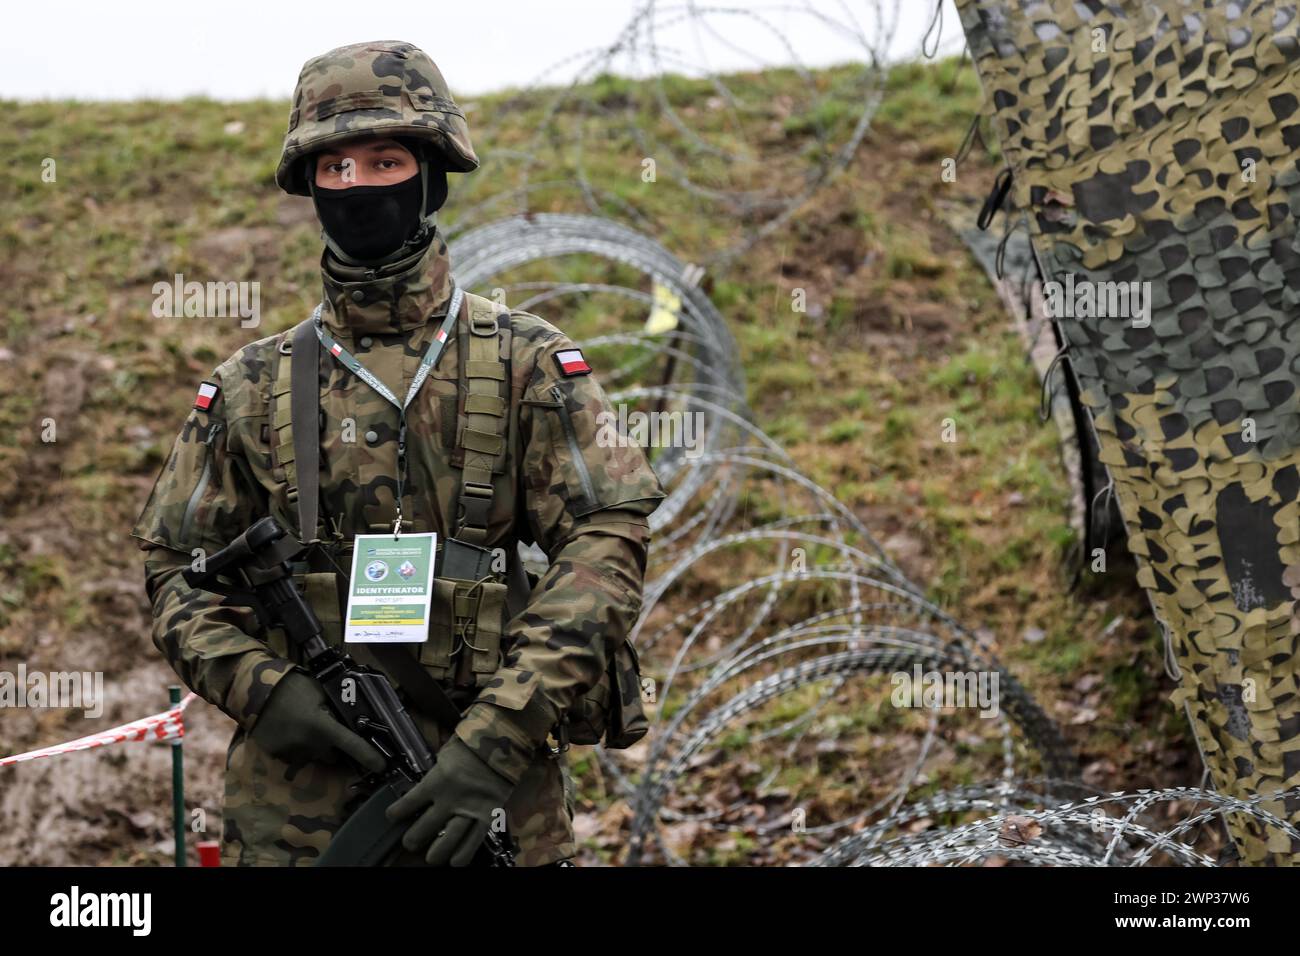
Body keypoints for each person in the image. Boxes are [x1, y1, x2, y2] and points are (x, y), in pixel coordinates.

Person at [132, 40, 664, 866]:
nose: (357, 187)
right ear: (309, 185)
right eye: (334, 168)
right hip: (299, 818)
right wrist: (267, 692)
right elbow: (176, 571)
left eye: (384, 161)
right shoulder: (249, 384)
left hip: (495, 806)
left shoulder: (527, 362)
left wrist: (492, 743)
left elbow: (605, 551)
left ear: (432, 173)